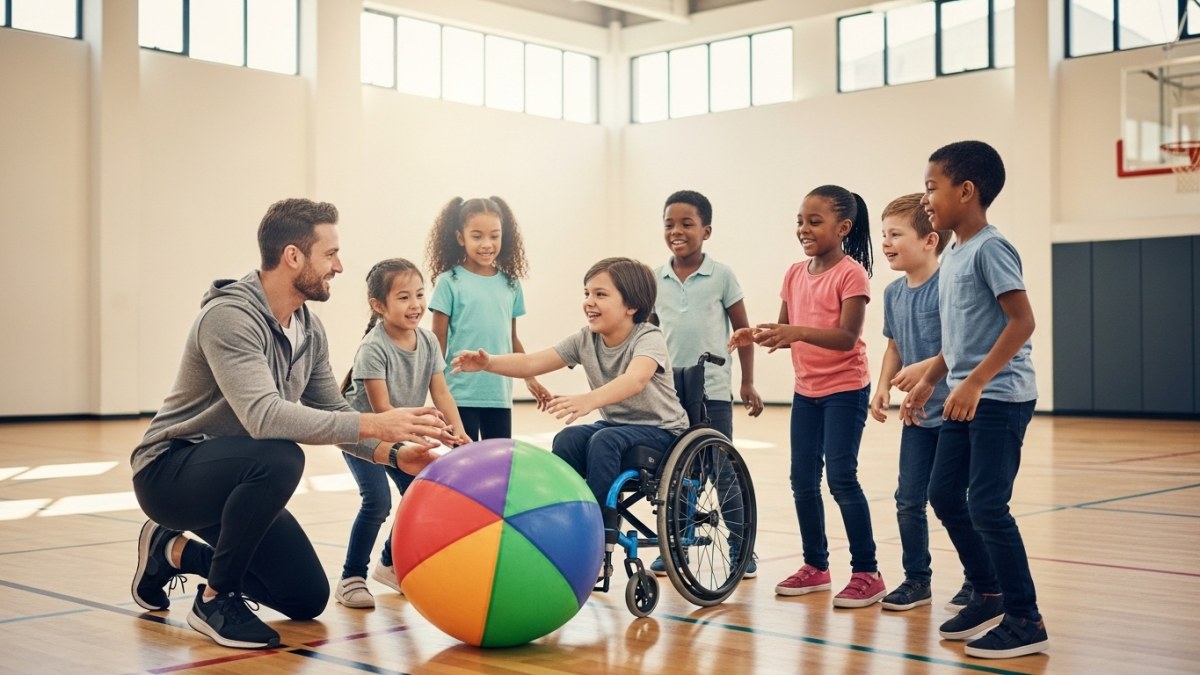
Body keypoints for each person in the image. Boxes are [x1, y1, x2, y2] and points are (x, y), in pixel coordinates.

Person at [129, 199, 453, 650]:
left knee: (305, 597)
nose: (339, 266)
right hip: (170, 472)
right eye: (331, 254)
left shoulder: (309, 328)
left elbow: (335, 415)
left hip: (237, 476)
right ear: (293, 257)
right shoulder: (229, 317)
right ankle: (215, 602)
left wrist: (393, 454)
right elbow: (264, 417)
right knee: (280, 455)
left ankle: (172, 551)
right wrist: (379, 424)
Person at [901, 140, 1047, 658]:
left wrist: (978, 381)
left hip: (1000, 397)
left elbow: (1022, 322)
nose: (925, 200)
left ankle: (1025, 618)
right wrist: (932, 377)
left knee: (987, 504)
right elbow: (961, 336)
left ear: (966, 191)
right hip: (964, 394)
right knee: (944, 495)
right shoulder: (955, 251)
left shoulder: (991, 247)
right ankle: (987, 591)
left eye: (931, 188)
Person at [450, 257, 688, 553]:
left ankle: (598, 533)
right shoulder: (585, 339)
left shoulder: (648, 338)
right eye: (587, 293)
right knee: (568, 439)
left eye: (600, 294)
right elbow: (532, 361)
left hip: (663, 433)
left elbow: (635, 379)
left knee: (604, 440)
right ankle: (561, 519)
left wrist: (589, 400)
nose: (589, 301)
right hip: (619, 428)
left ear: (632, 306)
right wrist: (488, 363)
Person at [729, 185, 885, 608]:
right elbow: (783, 330)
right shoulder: (795, 274)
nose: (804, 228)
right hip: (807, 390)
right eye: (800, 220)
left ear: (844, 227)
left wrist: (794, 332)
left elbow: (846, 336)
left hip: (846, 390)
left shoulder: (851, 273)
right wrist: (756, 334)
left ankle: (868, 572)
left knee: (840, 478)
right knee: (802, 481)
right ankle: (816, 567)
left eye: (814, 221)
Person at [333, 258, 470, 610]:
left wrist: (457, 434)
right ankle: (351, 578)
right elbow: (382, 411)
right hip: (362, 435)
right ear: (379, 306)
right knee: (377, 501)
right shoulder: (373, 348)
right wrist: (421, 433)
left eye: (420, 295)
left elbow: (441, 393)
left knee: (420, 495)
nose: (416, 305)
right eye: (404, 297)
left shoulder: (427, 342)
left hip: (401, 432)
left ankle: (391, 564)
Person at [649, 189, 763, 578]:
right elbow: (646, 334)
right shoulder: (654, 279)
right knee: (675, 472)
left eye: (686, 224)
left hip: (711, 388)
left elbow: (743, 332)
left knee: (720, 469)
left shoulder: (722, 275)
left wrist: (748, 382)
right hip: (668, 392)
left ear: (706, 230)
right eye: (669, 224)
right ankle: (676, 544)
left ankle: (742, 548)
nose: (676, 231)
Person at [868, 193, 971, 612]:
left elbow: (961, 344)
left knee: (953, 502)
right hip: (916, 415)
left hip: (954, 412)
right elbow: (894, 345)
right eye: (883, 235)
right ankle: (917, 580)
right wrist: (882, 387)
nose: (887, 243)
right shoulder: (893, 293)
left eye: (896, 234)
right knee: (908, 499)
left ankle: (977, 578)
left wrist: (926, 369)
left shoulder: (949, 285)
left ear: (930, 240)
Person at [425, 196, 551, 440]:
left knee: (499, 460)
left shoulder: (510, 284)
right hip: (460, 392)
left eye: (494, 236)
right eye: (477, 236)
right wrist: (435, 385)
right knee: (464, 461)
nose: (487, 244)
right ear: (460, 238)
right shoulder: (449, 282)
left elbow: (511, 337)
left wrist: (530, 378)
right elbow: (437, 340)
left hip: (499, 393)